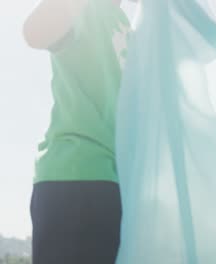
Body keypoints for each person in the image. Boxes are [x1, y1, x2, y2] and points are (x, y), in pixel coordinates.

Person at [23, 0, 131, 263]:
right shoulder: (90, 9)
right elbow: (35, 32)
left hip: (114, 186)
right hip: (74, 179)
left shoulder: (129, 25)